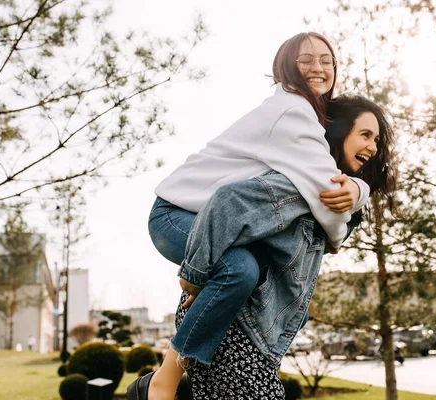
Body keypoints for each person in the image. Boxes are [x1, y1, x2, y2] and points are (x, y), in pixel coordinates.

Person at [127, 32, 396, 400]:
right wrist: (193, 278)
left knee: (241, 269)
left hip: (222, 254)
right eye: (306, 59)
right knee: (240, 270)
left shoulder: (303, 135)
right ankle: (164, 381)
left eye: (326, 60)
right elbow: (329, 211)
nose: (317, 67)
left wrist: (359, 192)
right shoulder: (293, 114)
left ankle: (168, 379)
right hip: (179, 213)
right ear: (286, 67)